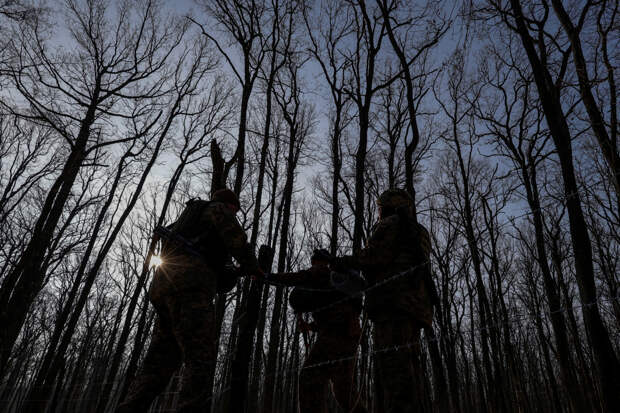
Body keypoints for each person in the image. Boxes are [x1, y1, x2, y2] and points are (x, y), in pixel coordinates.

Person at [117, 188, 261, 413]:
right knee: (200, 356)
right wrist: (253, 267)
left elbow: (209, 261)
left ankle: (129, 408)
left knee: (159, 361)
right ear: (228, 204)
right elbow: (237, 240)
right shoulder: (217, 209)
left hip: (163, 291)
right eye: (235, 210)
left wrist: (230, 272)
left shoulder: (187, 220)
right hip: (190, 290)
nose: (235, 214)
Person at [334, 189, 434, 413]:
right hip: (415, 308)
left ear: (389, 206)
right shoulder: (419, 231)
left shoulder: (391, 224)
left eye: (381, 207)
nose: (379, 212)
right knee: (409, 369)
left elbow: (374, 256)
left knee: (394, 372)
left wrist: (343, 262)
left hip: (392, 305)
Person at [266, 249, 367, 413]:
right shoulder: (335, 283)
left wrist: (268, 277)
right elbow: (334, 313)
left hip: (336, 334)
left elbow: (296, 278)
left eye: (313, 262)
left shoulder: (321, 272)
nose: (312, 265)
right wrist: (310, 327)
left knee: (309, 378)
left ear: (317, 261)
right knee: (343, 390)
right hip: (350, 334)